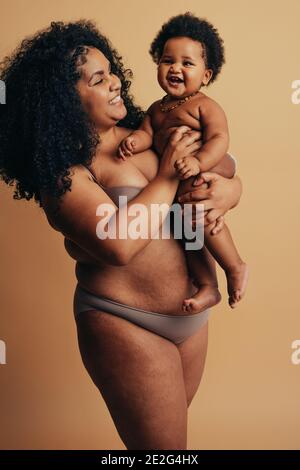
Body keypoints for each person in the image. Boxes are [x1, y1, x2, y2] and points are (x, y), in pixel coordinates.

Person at [0, 20, 243, 450]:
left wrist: (230, 191)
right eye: (98, 78)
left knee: (165, 451)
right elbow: (118, 245)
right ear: (63, 102)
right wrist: (168, 176)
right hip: (125, 323)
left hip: (191, 317)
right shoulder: (66, 178)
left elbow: (223, 167)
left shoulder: (143, 138)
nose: (115, 81)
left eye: (111, 70)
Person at [119, 13, 249, 311]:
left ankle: (235, 265)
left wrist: (199, 162)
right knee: (189, 235)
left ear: (206, 75)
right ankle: (208, 285)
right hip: (180, 186)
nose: (175, 68)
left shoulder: (205, 105)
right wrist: (133, 142)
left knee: (204, 217)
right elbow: (146, 134)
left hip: (209, 168)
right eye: (167, 61)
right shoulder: (156, 109)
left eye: (187, 63)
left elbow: (219, 139)